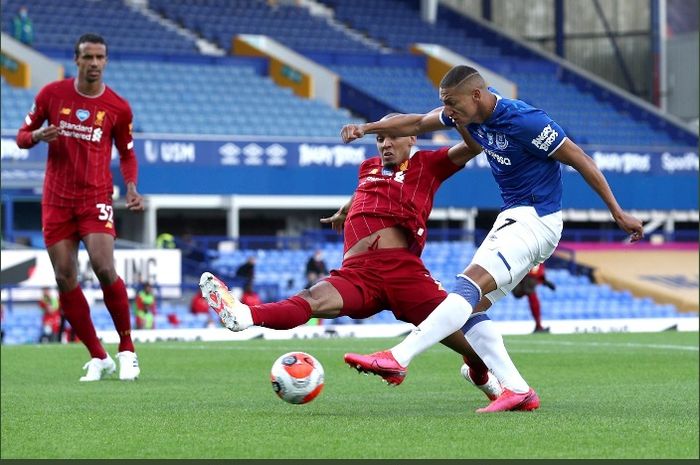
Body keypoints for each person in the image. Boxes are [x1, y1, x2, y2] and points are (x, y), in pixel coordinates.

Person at [339, 65, 644, 412]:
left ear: (477, 95)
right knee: (469, 310)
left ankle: (398, 357)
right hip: (517, 217)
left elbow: (580, 159)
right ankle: (515, 389)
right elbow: (416, 122)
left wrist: (617, 212)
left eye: (453, 104)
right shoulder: (466, 115)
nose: (449, 113)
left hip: (535, 216)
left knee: (465, 287)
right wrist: (367, 128)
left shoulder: (526, 121)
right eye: (445, 105)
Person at [199, 114, 510, 405]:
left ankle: (478, 372)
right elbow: (365, 190)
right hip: (358, 273)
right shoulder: (368, 167)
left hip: (403, 271)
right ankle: (245, 316)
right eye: (380, 140)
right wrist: (345, 210)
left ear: (412, 138)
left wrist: (457, 120)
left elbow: (474, 145)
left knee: (474, 346)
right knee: (312, 298)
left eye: (392, 137)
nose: (386, 144)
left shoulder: (429, 165)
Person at [15, 33, 144, 382]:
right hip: (56, 200)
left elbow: (128, 152)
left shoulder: (118, 107)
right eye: (88, 57)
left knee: (104, 267)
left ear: (106, 61)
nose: (95, 63)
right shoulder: (52, 95)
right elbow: (21, 135)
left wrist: (131, 187)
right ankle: (98, 356)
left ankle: (127, 349)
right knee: (64, 277)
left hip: (95, 197)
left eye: (100, 57)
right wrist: (37, 136)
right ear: (77, 60)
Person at [512, 263, 556, 333]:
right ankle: (538, 326)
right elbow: (534, 270)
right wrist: (544, 281)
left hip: (522, 277)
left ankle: (538, 326)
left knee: (533, 299)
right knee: (533, 297)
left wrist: (544, 280)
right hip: (522, 276)